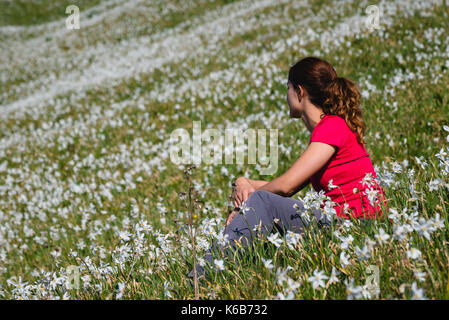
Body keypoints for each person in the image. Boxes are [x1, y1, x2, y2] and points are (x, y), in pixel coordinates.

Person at [188, 56, 388, 279]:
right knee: (260, 201)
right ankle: (225, 271)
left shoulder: (332, 127)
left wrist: (246, 204)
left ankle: (203, 278)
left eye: (288, 89)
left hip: (355, 228)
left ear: (299, 92)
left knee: (261, 202)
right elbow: (284, 187)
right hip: (348, 225)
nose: (286, 96)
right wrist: (244, 183)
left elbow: (286, 186)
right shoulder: (331, 128)